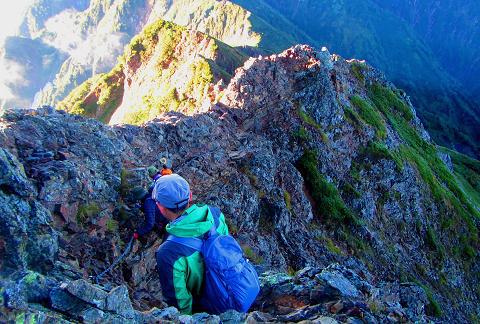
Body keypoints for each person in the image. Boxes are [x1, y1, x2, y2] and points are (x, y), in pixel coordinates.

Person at [153, 174, 229, 314]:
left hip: (209, 307)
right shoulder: (215, 214)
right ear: (190, 196)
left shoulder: (168, 253)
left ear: (160, 207)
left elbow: (179, 302)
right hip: (233, 285)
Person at [132, 165, 173, 240]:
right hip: (171, 218)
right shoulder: (151, 195)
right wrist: (141, 208)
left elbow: (150, 224)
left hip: (168, 224)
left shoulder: (148, 203)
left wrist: (138, 232)